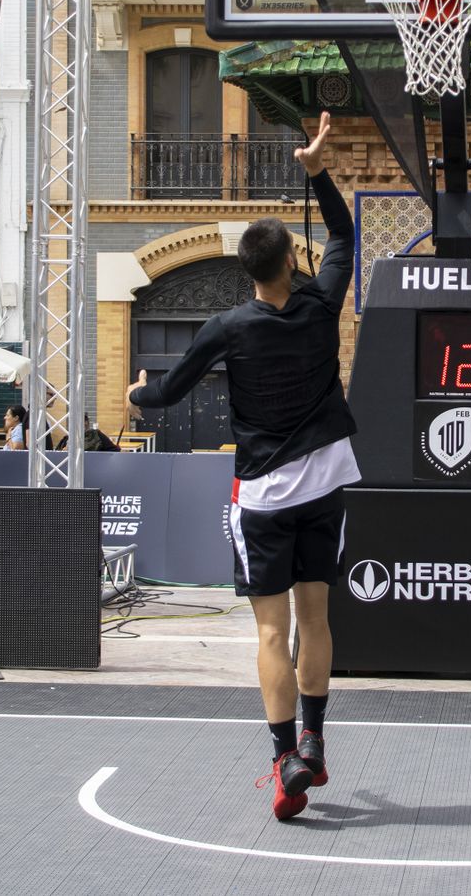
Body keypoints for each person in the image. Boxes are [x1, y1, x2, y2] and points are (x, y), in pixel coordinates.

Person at [126, 111, 356, 822]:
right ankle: (315, 739)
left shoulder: (226, 327)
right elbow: (346, 237)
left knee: (267, 631)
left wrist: (138, 394)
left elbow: (167, 393)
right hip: (327, 479)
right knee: (315, 617)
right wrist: (316, 172)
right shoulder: (320, 305)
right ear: (291, 259)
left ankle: (285, 754)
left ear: (246, 269)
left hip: (264, 494)